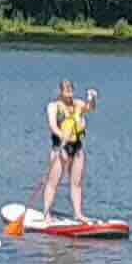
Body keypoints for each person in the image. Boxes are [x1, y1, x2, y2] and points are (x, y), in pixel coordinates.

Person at [30, 79, 96, 224]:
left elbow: (90, 108)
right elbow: (52, 125)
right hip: (60, 147)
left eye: (71, 90)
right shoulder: (53, 106)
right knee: (53, 182)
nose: (69, 93)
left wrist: (92, 98)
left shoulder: (77, 104)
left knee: (77, 182)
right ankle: (46, 213)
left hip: (77, 147)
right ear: (60, 91)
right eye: (66, 90)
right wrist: (61, 135)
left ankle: (78, 214)